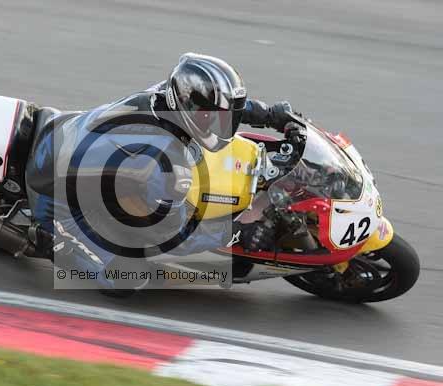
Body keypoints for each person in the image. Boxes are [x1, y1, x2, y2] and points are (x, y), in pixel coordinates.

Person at [25, 52, 303, 288]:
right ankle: (52, 241)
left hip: (65, 135)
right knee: (127, 278)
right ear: (193, 109)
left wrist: (268, 115)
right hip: (55, 196)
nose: (224, 124)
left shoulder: (169, 95)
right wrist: (236, 230)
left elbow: (222, 106)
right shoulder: (165, 166)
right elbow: (176, 239)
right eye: (213, 118)